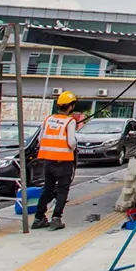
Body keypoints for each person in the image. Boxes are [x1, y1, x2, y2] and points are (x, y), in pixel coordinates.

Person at [33, 91, 78, 230]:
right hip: (64, 161)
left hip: (49, 161)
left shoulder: (48, 120)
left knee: (47, 189)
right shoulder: (70, 121)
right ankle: (56, 218)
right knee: (62, 190)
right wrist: (75, 143)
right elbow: (71, 142)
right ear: (70, 106)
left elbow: (40, 139)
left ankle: (38, 218)